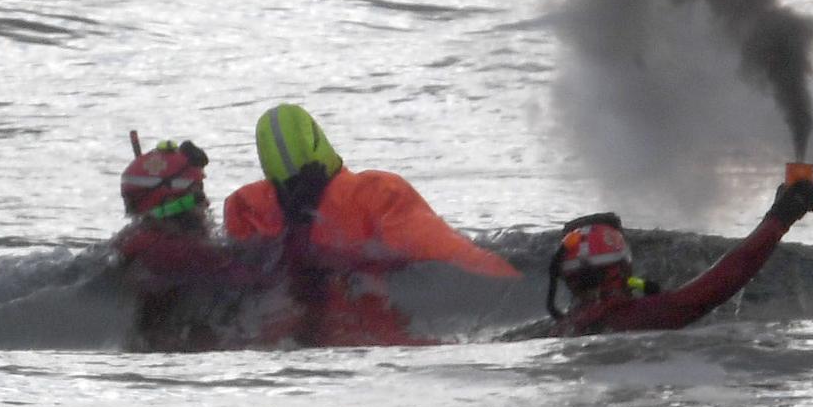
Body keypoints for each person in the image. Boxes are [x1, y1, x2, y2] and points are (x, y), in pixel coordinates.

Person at [223, 104, 518, 347]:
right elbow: (455, 257)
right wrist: (522, 285)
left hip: (291, 345)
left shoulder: (248, 211)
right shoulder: (378, 195)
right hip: (384, 341)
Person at [544, 175, 813, 337]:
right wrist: (781, 217)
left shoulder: (563, 327)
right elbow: (726, 277)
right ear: (622, 267)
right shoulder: (640, 316)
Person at [112, 133, 273, 352]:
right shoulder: (181, 252)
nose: (206, 203)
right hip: (173, 352)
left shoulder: (133, 240)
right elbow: (258, 281)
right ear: (170, 202)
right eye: (197, 193)